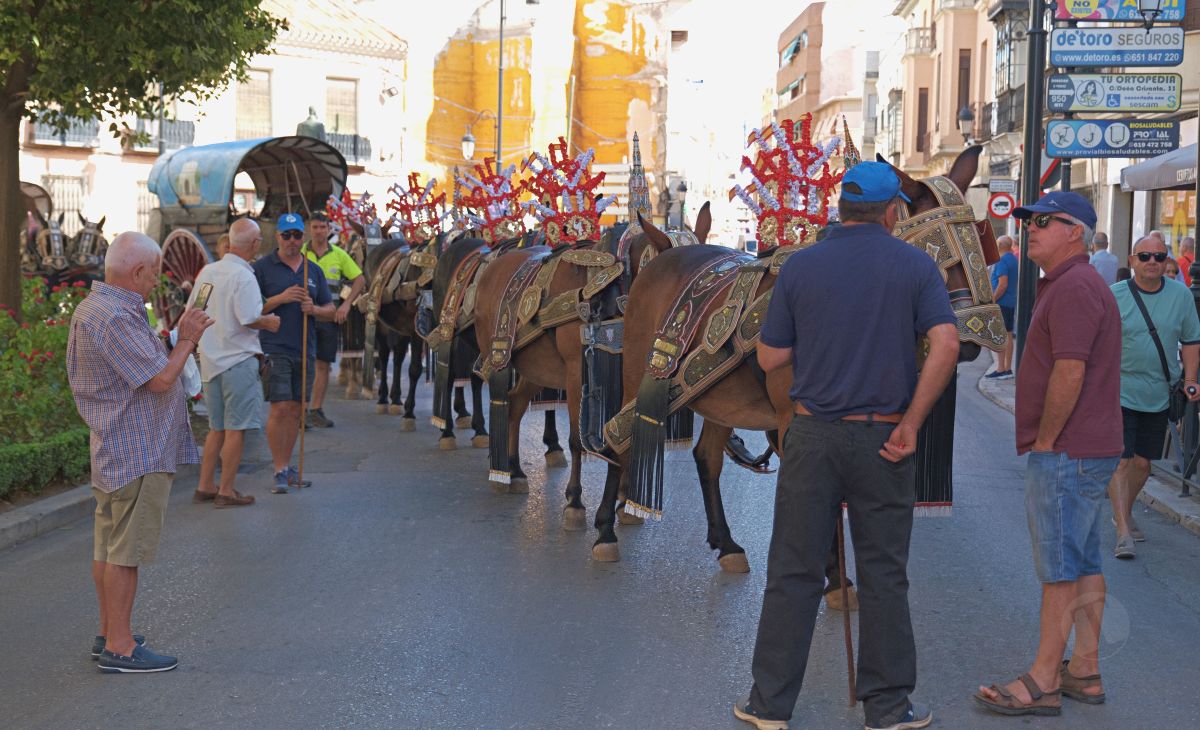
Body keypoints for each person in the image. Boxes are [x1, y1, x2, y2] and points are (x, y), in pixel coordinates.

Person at [735, 162, 959, 730]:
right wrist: (911, 421)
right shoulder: (915, 265)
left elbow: (768, 358)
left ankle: (769, 706)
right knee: (884, 573)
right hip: (884, 436)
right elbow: (947, 344)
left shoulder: (801, 267)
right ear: (892, 213)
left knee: (794, 571)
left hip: (811, 435)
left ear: (839, 209)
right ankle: (887, 708)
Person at [975, 191, 1121, 716]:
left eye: (1043, 221)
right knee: (1081, 559)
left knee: (1059, 568)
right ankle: (1084, 669)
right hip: (1084, 447)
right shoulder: (1068, 283)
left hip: (1068, 449)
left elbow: (1071, 370)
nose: (1030, 229)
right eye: (1028, 222)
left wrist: (1045, 441)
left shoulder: (1076, 286)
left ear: (1075, 231)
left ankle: (1043, 681)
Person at [66, 232, 214, 673]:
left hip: (117, 446)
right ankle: (121, 647)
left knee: (109, 548)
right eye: (154, 273)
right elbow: (160, 381)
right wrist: (186, 339)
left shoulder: (101, 307)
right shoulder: (114, 316)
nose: (157, 281)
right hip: (137, 449)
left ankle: (108, 632)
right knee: (125, 554)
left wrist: (168, 340)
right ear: (136, 272)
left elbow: (142, 367)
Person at [1106, 235, 1200, 559]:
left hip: (1158, 392)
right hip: (1117, 389)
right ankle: (1122, 533)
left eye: (1159, 257)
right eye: (1144, 256)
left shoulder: (1181, 296)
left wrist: (1190, 380)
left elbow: (1191, 340)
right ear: (1132, 261)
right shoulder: (1114, 295)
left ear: (1167, 262)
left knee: (1143, 465)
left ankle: (1124, 511)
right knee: (1120, 459)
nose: (1152, 262)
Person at [190, 219, 281, 507]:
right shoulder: (244, 276)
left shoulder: (209, 271)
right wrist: (269, 321)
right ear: (254, 245)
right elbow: (249, 317)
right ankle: (226, 490)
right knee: (235, 429)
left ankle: (205, 485)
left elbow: (195, 309)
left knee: (216, 428)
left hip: (211, 361)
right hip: (238, 360)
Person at [254, 213, 335, 494]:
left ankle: (288, 467)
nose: (292, 241)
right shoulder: (262, 268)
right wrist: (280, 299)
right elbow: (251, 309)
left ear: (304, 237)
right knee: (280, 408)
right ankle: (278, 469)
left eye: (297, 235)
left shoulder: (313, 270)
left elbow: (331, 310)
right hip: (275, 348)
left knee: (297, 411)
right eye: (286, 235)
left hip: (306, 348)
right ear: (277, 237)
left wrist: (314, 310)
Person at [302, 211, 365, 428]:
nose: (319, 231)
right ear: (309, 229)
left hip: (328, 319)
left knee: (323, 366)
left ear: (329, 230)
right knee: (303, 365)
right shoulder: (300, 253)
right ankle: (300, 411)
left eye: (323, 227)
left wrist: (346, 305)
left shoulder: (339, 254)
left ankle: (316, 410)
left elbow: (359, 279)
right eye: (315, 227)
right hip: (303, 320)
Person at [987, 235, 1018, 379]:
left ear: (999, 245)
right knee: (1008, 335)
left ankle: (1001, 369)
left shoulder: (1002, 261)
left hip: (1001, 303)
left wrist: (992, 300)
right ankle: (1007, 368)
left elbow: (1002, 284)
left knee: (999, 335)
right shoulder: (1013, 259)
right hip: (1010, 302)